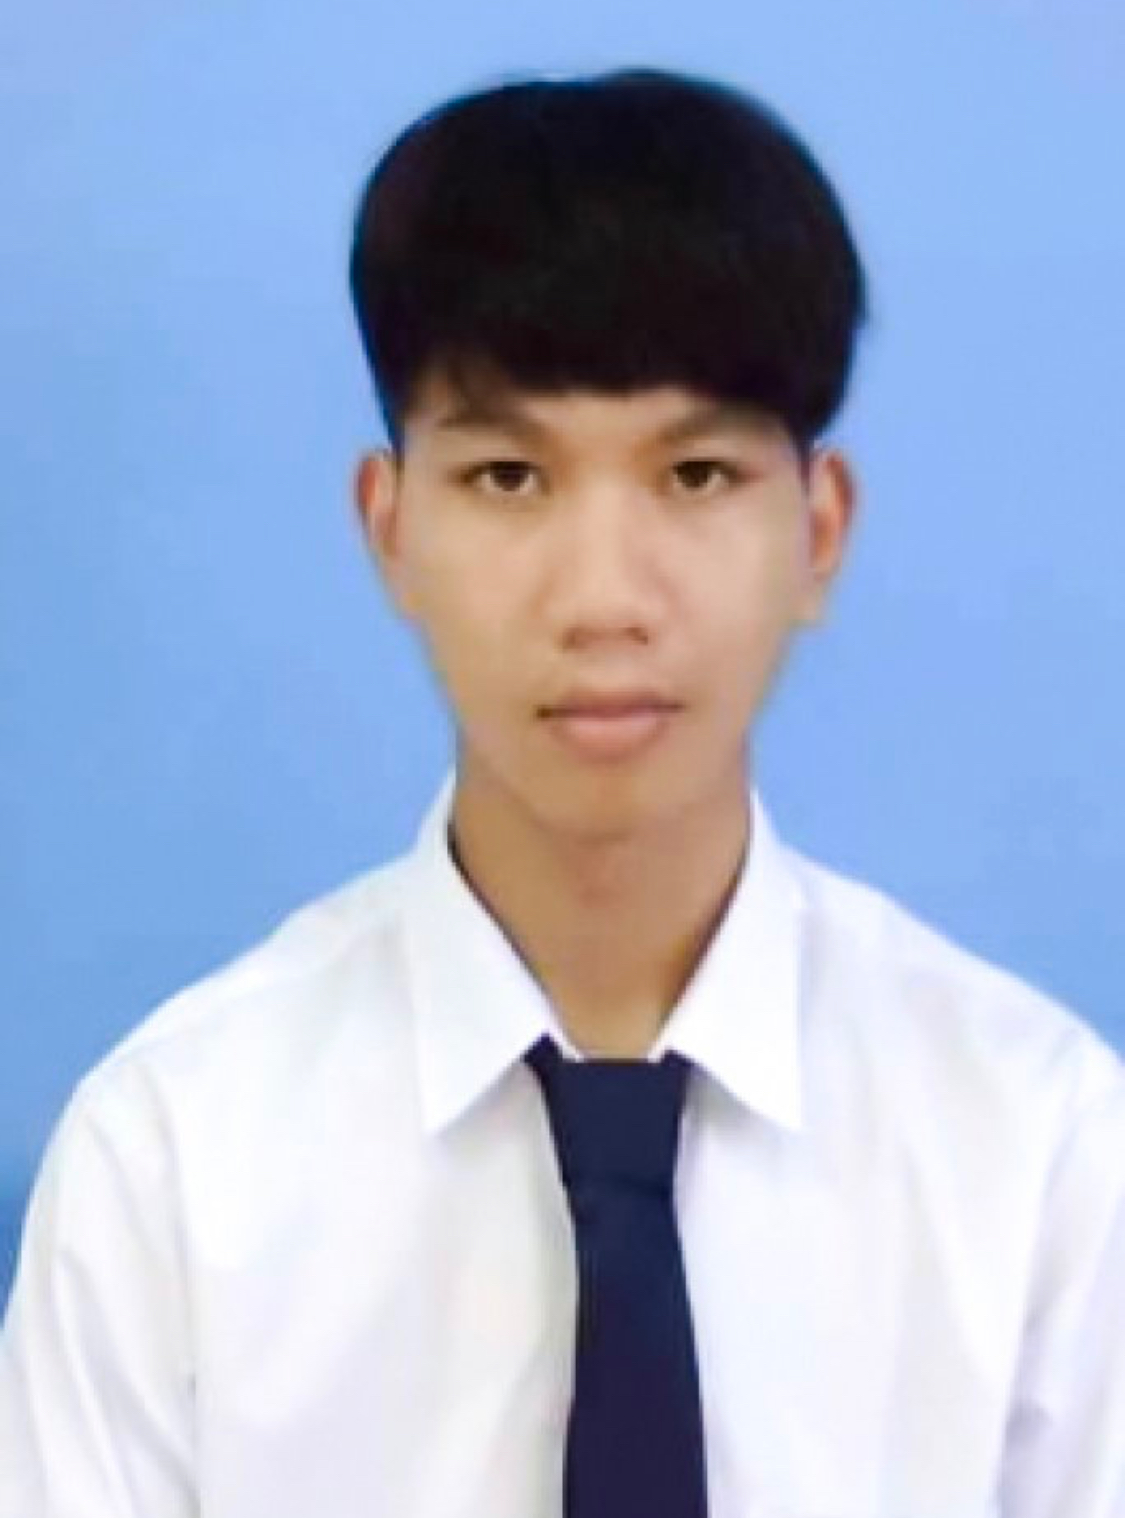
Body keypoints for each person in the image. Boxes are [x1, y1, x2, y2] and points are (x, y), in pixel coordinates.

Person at [1, 65, 1123, 1518]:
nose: (602, 599)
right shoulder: (171, 1158)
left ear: (820, 530)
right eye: (509, 478)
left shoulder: (1040, 1154)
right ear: (389, 529)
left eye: (697, 475)